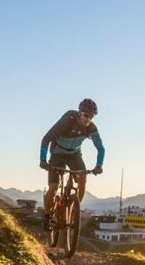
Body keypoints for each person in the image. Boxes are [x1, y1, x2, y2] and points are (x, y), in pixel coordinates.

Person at [39, 98, 105, 229]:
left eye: (91, 117)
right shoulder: (67, 121)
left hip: (74, 155)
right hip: (57, 153)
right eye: (86, 115)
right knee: (53, 187)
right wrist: (43, 160)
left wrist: (99, 166)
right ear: (79, 113)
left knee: (83, 177)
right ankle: (47, 216)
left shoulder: (91, 128)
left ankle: (75, 210)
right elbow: (46, 138)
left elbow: (100, 148)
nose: (88, 119)